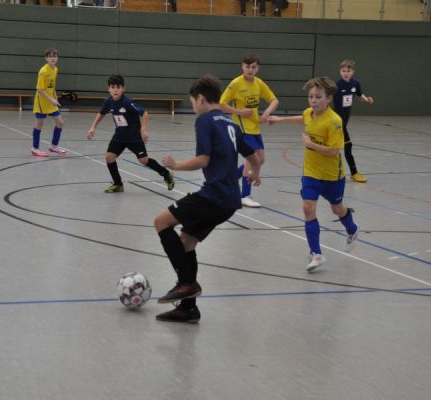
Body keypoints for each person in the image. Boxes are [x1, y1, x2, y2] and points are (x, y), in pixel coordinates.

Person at [154, 75, 261, 323]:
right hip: (230, 200)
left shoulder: (204, 120)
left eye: (193, 102)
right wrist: (255, 173)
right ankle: (188, 309)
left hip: (213, 195)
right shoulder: (231, 123)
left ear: (200, 98)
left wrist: (175, 165)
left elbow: (203, 160)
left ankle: (185, 283)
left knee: (161, 222)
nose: (193, 107)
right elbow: (253, 156)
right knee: (186, 242)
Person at [267, 77, 359, 272]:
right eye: (310, 96)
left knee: (337, 209)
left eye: (318, 97)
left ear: (328, 99)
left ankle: (352, 228)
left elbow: (335, 151)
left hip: (332, 175)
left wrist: (311, 145)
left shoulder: (334, 121)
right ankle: (316, 253)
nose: (313, 100)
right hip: (311, 173)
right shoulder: (309, 113)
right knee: (308, 209)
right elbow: (302, 118)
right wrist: (279, 119)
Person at [86, 74, 175, 193]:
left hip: (134, 137)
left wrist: (143, 129)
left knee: (143, 160)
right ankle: (118, 184)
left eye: (118, 87)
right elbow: (101, 113)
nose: (115, 90)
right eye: (112, 87)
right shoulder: (108, 101)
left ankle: (166, 173)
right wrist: (93, 127)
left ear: (123, 89)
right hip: (119, 136)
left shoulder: (128, 102)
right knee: (109, 157)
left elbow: (144, 113)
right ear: (109, 89)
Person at [220, 53, 279, 208]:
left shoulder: (259, 83)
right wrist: (239, 112)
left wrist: (266, 113)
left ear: (257, 68)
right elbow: (222, 104)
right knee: (251, 160)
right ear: (242, 66)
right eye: (247, 66)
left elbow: (274, 100)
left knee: (260, 160)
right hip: (241, 128)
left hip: (255, 128)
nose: (250, 69)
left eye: (253, 67)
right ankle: (244, 195)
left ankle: (229, 179)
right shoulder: (236, 83)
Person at [333, 59, 374, 183]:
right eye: (343, 70)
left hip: (345, 120)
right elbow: (327, 97)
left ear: (352, 72)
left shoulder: (355, 83)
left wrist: (366, 100)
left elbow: (359, 95)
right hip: (337, 122)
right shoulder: (336, 85)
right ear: (340, 72)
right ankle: (354, 172)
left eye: (348, 71)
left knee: (336, 146)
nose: (346, 73)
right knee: (347, 145)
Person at [31, 48, 67, 157]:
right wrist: (51, 99)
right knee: (39, 124)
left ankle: (54, 146)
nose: (53, 58)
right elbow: (40, 89)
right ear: (46, 58)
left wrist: (55, 97)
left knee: (60, 122)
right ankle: (35, 148)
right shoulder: (43, 71)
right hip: (42, 101)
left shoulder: (55, 69)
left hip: (51, 101)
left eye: (55, 56)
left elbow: (52, 86)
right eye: (51, 56)